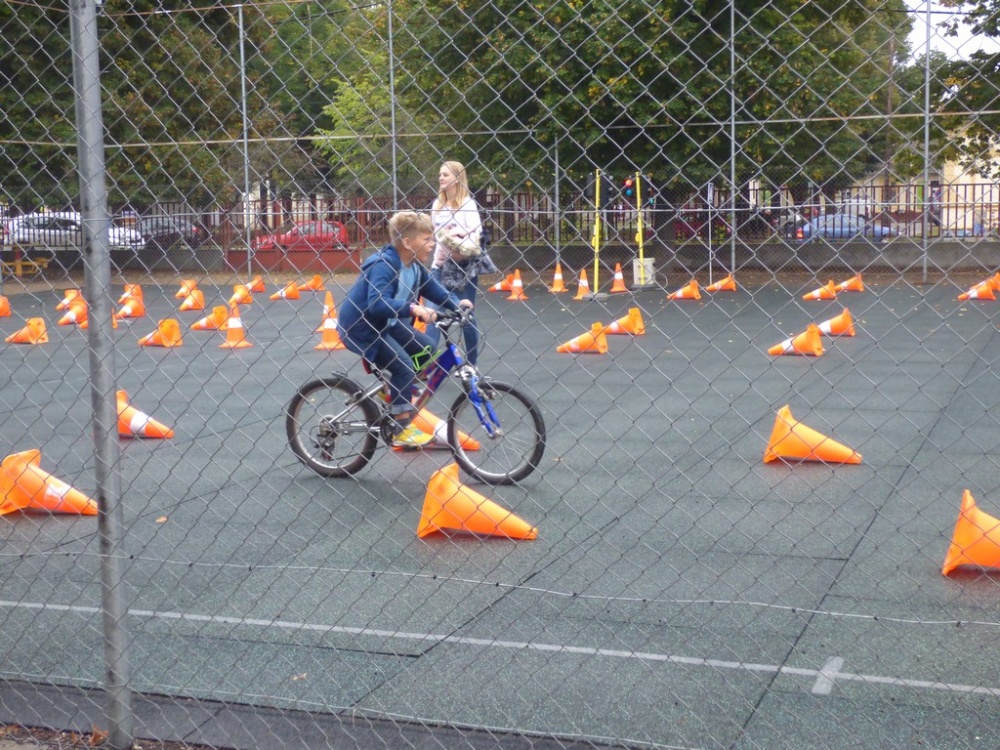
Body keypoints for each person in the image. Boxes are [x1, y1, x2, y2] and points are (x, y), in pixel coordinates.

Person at [339, 211, 472, 448]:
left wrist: (455, 304)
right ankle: (401, 428)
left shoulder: (414, 267)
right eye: (427, 239)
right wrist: (414, 308)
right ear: (408, 242)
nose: (432, 244)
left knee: (427, 347)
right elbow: (377, 303)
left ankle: (396, 389)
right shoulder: (384, 265)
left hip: (385, 323)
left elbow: (434, 289)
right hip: (362, 327)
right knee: (403, 365)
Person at [427, 161, 495, 366]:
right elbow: (435, 236)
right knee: (432, 315)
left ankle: (472, 364)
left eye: (446, 175)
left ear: (457, 178)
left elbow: (475, 237)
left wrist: (458, 246)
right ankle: (425, 363)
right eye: (440, 174)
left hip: (463, 269)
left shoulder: (467, 205)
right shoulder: (437, 205)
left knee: (465, 315)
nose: (441, 178)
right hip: (439, 268)